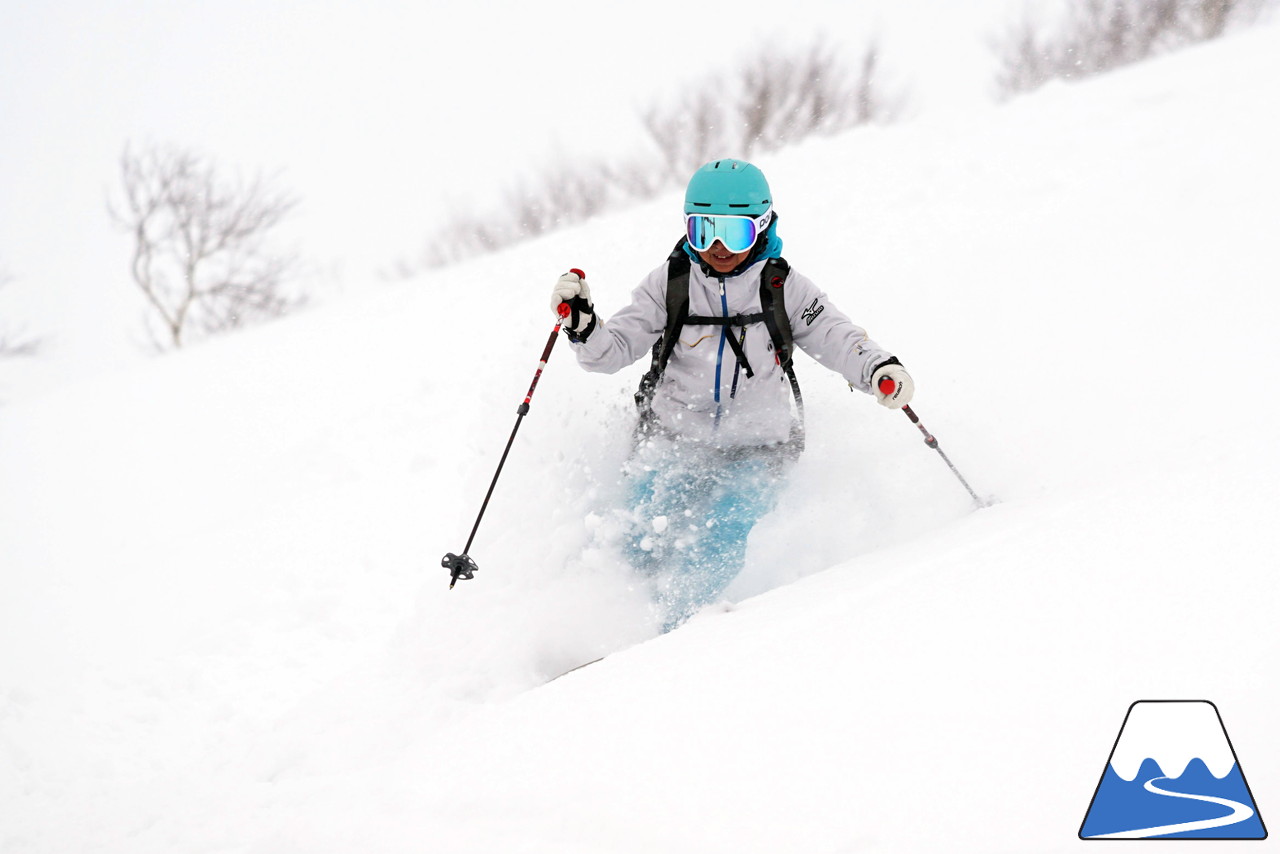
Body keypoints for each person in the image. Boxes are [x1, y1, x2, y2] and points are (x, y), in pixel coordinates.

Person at [550, 158, 913, 631]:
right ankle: (604, 624)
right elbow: (610, 352)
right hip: (675, 438)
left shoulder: (782, 287)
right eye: (704, 231)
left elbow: (836, 335)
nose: (719, 247)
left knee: (723, 530)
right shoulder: (670, 285)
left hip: (758, 447)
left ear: (761, 227)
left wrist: (878, 368)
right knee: (641, 533)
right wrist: (584, 328)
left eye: (735, 233)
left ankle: (668, 631)